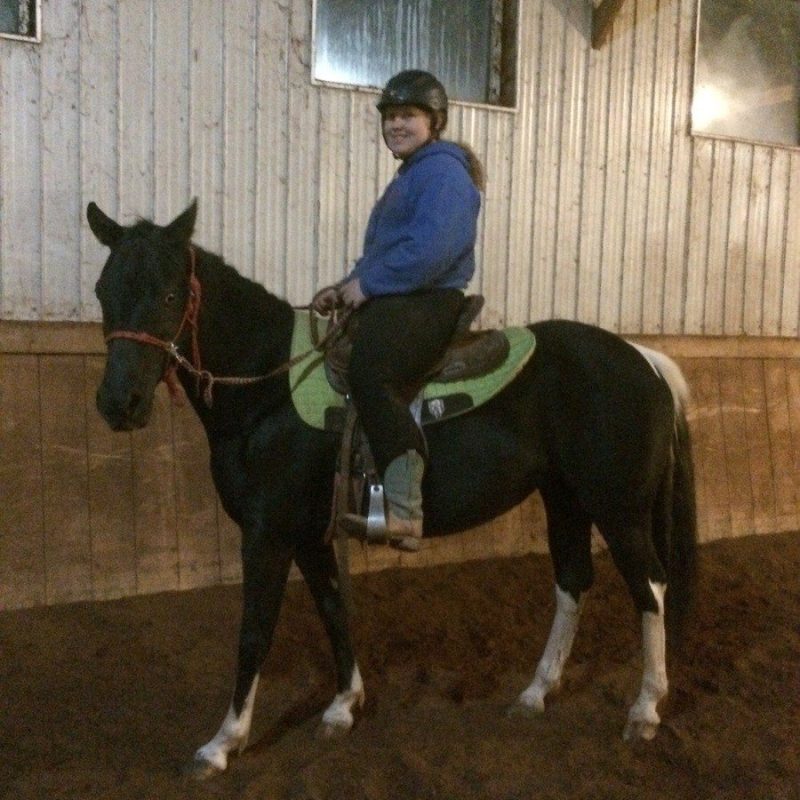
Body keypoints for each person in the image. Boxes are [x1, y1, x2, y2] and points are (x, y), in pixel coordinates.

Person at [313, 69, 484, 551]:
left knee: (372, 374)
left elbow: (433, 249)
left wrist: (370, 284)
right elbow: (388, 250)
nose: (396, 125)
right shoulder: (413, 175)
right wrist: (346, 286)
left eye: (407, 115)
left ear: (435, 120)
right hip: (403, 293)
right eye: (390, 117)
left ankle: (406, 508)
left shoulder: (444, 172)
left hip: (427, 297)